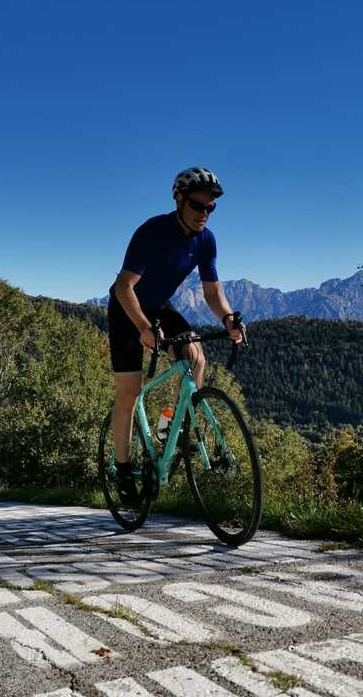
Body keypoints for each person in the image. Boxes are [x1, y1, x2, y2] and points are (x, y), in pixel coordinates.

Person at [107, 167, 244, 507]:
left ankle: (174, 430)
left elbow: (212, 292)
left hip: (159, 307)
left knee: (196, 358)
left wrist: (227, 317)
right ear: (179, 199)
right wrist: (141, 326)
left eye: (211, 208)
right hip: (127, 308)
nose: (204, 214)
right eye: (198, 206)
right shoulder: (153, 231)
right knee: (129, 392)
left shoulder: (206, 240)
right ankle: (123, 469)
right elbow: (125, 287)